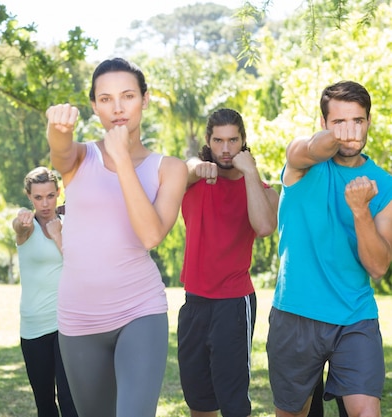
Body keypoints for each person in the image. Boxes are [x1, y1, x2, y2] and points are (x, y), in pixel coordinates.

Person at [45, 57, 188, 417]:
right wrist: (58, 128)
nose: (118, 107)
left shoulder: (169, 168)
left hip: (140, 310)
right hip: (78, 318)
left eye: (127, 96)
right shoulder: (81, 157)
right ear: (94, 107)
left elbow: (150, 234)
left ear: (145, 99)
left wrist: (122, 159)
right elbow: (60, 152)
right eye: (105, 99)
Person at [267, 80, 392, 417]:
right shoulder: (300, 162)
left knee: (367, 412)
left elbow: (379, 267)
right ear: (323, 124)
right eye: (339, 121)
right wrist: (335, 138)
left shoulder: (384, 184)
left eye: (358, 121)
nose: (350, 131)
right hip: (296, 312)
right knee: (293, 413)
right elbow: (308, 148)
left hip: (355, 316)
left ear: (369, 122)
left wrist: (361, 210)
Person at [177, 108, 279, 417]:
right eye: (218, 140)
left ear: (243, 141)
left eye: (233, 140)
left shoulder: (262, 191)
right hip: (193, 302)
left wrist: (251, 173)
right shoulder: (191, 180)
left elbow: (263, 227)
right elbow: (183, 170)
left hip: (234, 304)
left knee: (234, 405)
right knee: (198, 401)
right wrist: (196, 166)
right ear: (208, 141)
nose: (225, 148)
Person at [12, 167, 77, 417]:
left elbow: (80, 267)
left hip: (66, 325)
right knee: (45, 405)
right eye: (38, 198)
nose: (45, 203)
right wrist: (21, 220)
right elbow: (19, 227)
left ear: (59, 193)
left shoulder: (70, 224)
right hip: (33, 327)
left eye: (50, 195)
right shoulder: (26, 227)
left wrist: (58, 236)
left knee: (70, 401)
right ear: (29, 196)